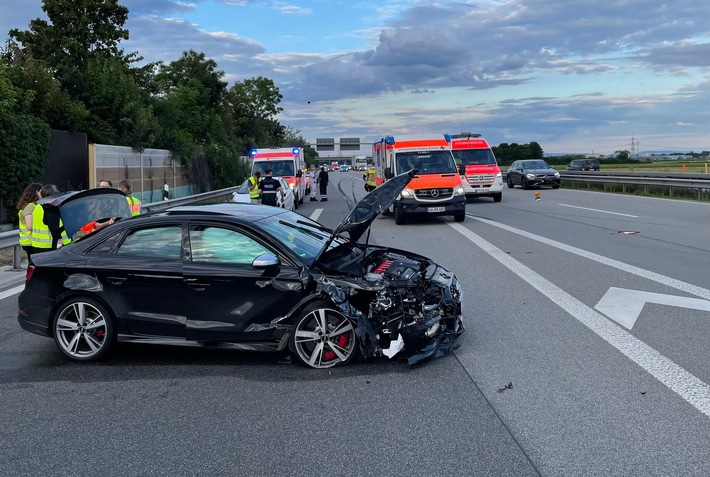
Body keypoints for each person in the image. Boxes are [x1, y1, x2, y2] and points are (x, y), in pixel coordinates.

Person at [31, 184, 70, 254]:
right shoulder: (49, 208)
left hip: (38, 246)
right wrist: (59, 242)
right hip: (52, 246)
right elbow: (54, 227)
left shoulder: (38, 207)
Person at [16, 182, 43, 262]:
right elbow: (29, 226)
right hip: (30, 242)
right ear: (36, 192)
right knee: (34, 264)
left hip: (30, 241)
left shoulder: (32, 206)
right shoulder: (30, 207)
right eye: (41, 191)